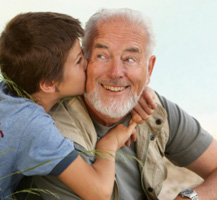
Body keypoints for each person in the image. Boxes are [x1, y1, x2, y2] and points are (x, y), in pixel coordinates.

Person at [33, 8, 217, 200]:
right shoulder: (56, 136)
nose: (115, 72)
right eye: (102, 56)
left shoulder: (155, 110)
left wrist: (189, 198)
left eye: (129, 59)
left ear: (149, 68)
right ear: (84, 61)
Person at [0, 12, 155, 200]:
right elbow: (98, 192)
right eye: (79, 60)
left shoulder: (8, 95)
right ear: (49, 84)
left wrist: (135, 89)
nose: (88, 63)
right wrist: (109, 144)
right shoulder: (33, 126)